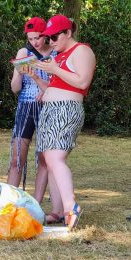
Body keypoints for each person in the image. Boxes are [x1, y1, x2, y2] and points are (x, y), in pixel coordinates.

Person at [35, 14, 96, 230]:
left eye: (54, 36)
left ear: (68, 33)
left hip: (66, 109)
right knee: (50, 160)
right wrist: (35, 77)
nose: (50, 41)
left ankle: (71, 207)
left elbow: (82, 81)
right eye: (48, 38)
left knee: (54, 157)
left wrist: (54, 70)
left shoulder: (82, 50)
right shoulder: (58, 56)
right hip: (51, 109)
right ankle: (58, 211)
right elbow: (54, 87)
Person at [7, 17, 56, 208]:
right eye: (30, 38)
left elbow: (61, 82)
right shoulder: (24, 51)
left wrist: (46, 91)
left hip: (49, 107)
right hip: (26, 106)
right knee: (17, 157)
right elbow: (14, 88)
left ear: (46, 35)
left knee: (45, 157)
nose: (34, 42)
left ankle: (35, 204)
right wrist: (19, 71)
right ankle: (9, 203)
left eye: (37, 37)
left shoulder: (55, 52)